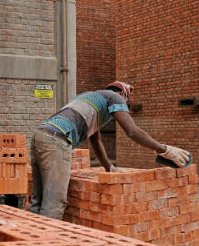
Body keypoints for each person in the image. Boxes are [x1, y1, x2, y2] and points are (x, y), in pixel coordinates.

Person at [29, 81, 190, 220]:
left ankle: (28, 242)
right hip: (57, 139)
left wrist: (109, 168)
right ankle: (43, 245)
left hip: (40, 134)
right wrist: (164, 149)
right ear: (122, 95)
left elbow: (96, 141)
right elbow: (132, 131)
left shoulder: (90, 98)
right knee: (54, 201)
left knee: (38, 198)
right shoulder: (116, 97)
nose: (122, 109)